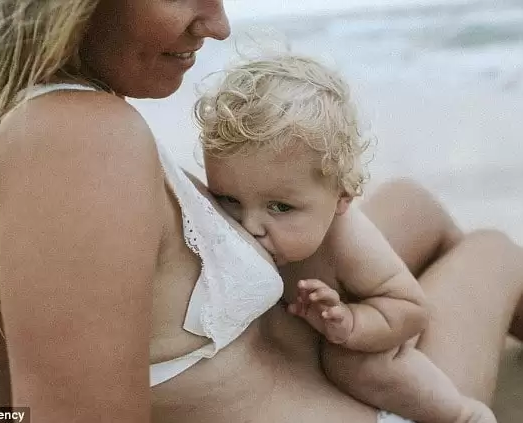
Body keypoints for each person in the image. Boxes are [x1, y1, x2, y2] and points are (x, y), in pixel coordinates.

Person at [0, 1, 523, 422]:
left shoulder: (19, 136)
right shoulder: (78, 140)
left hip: (308, 350)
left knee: (412, 202)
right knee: (492, 249)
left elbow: (2, 402)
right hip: (371, 409)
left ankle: (398, 335)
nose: (219, 25)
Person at [194, 54, 495, 423]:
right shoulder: (270, 219)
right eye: (229, 199)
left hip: (379, 345)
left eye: (280, 207)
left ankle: (465, 415)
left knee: (361, 366)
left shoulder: (347, 242)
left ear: (342, 198)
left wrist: (351, 323)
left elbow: (412, 311)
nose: (249, 226)